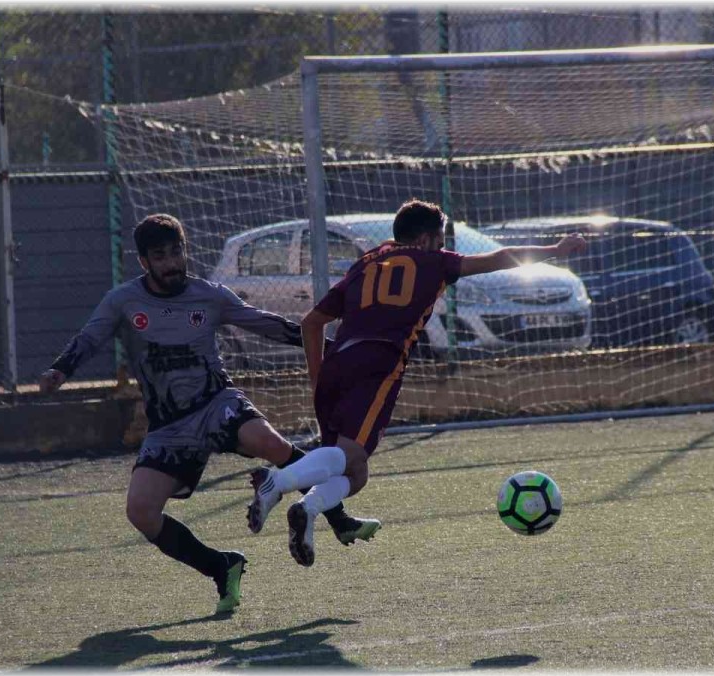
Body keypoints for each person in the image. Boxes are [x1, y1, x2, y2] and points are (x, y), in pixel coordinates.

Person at [39, 213, 379, 614]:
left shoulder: (209, 296)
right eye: (160, 256)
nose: (172, 263)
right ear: (144, 262)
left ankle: (338, 519)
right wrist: (60, 370)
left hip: (216, 402)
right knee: (141, 512)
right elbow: (89, 337)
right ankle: (221, 566)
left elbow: (266, 324)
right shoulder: (122, 301)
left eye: (177, 252)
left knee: (269, 442)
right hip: (169, 427)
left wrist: (332, 346)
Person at [246, 198, 587, 566]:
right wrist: (555, 250)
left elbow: (311, 323)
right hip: (379, 362)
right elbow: (500, 258)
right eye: (439, 241)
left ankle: (307, 510)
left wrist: (317, 378)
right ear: (424, 240)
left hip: (335, 363)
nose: (441, 248)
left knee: (356, 472)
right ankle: (277, 482)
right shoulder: (432, 261)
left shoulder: (365, 263)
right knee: (351, 454)